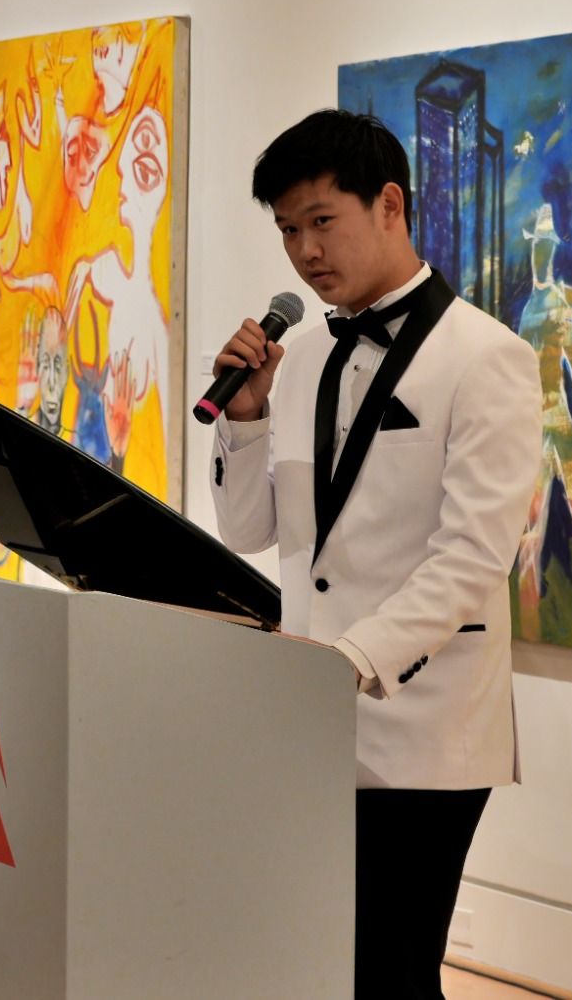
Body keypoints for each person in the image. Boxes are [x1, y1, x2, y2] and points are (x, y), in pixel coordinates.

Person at [209, 109, 542, 998]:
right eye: (288, 230)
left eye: (322, 220)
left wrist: (348, 661)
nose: (306, 251)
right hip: (311, 721)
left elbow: (473, 557)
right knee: (323, 969)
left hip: (426, 728)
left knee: (391, 972)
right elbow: (253, 531)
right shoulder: (303, 357)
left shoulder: (489, 357)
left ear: (390, 205)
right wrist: (245, 418)